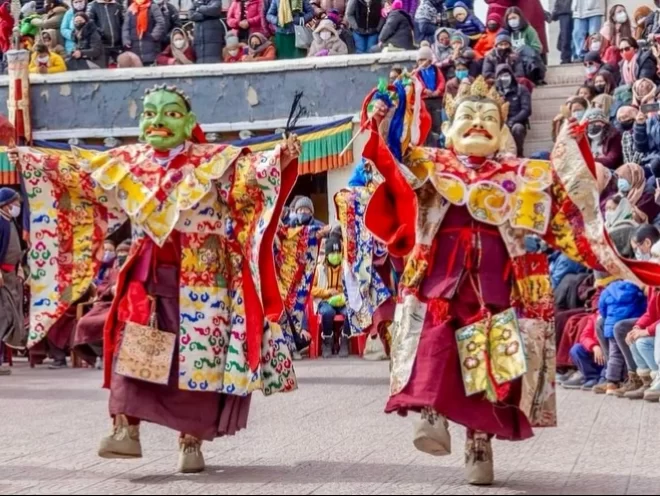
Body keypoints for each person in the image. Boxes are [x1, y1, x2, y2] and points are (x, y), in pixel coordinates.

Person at [364, 75, 660, 486]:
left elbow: (567, 192)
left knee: (488, 371)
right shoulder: (431, 164)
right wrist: (384, 118)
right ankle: (430, 411)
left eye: (488, 117)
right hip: (441, 279)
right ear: (449, 126)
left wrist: (572, 142)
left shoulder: (522, 176)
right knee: (433, 345)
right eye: (467, 116)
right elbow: (389, 161)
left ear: (503, 129)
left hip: (497, 286)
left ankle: (479, 442)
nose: (478, 123)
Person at [11, 85, 301, 472]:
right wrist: (32, 159)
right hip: (145, 275)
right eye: (149, 113)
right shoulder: (127, 162)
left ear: (190, 122)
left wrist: (279, 156)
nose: (158, 121)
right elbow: (78, 175)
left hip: (205, 277)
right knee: (136, 344)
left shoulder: (214, 161)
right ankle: (125, 429)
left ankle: (191, 441)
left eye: (170, 113)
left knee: (195, 358)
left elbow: (251, 178)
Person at [73, 240, 132, 369]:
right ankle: (100, 354)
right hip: (107, 304)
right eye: (120, 252)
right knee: (85, 322)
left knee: (114, 322)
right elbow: (100, 289)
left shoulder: (135, 270)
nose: (122, 255)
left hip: (126, 306)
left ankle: (114, 356)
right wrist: (111, 290)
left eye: (125, 252)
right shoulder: (110, 272)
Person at [599, 277, 648, 395]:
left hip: (610, 326)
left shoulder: (608, 290)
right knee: (627, 352)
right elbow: (643, 308)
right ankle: (630, 378)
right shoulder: (637, 291)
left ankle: (611, 382)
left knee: (614, 355)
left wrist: (609, 317)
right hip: (628, 326)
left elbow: (601, 308)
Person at [311, 232, 351, 358]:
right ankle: (327, 340)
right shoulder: (319, 269)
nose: (336, 256)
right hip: (325, 300)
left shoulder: (345, 268)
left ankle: (344, 339)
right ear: (327, 255)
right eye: (332, 253)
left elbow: (352, 287)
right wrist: (327, 292)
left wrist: (343, 295)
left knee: (351, 311)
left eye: (338, 252)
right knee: (328, 312)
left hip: (342, 300)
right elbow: (310, 289)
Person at [0, 188, 25, 377]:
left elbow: (16, 250)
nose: (17, 206)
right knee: (3, 317)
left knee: (10, 317)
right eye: (15, 203)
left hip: (11, 276)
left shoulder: (10, 221)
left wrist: (20, 268)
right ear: (6, 204)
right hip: (2, 276)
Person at [495, 63, 530, 157]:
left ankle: (519, 154)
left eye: (506, 75)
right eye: (501, 75)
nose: (504, 78)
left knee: (517, 128)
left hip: (515, 121)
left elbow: (526, 109)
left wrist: (512, 120)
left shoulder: (521, 89)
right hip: (498, 123)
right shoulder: (494, 92)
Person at [414, 44, 445, 143]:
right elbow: (416, 82)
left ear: (430, 60)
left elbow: (441, 81)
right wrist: (424, 90)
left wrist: (438, 91)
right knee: (427, 121)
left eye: (424, 60)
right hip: (424, 99)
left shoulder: (435, 69)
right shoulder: (417, 72)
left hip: (436, 99)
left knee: (437, 120)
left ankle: (439, 141)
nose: (422, 62)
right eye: (420, 60)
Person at [565, 315, 606, 389]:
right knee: (576, 349)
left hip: (607, 358)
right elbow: (584, 336)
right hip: (595, 354)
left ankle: (605, 378)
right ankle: (592, 377)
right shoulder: (594, 317)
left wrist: (603, 347)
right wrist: (594, 346)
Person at [122, 0, 165, 66]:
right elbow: (126, 27)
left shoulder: (153, 6)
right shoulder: (131, 8)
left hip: (150, 46)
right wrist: (126, 40)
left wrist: (153, 36)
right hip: (134, 47)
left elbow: (160, 23)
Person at [88, 0, 125, 65]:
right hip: (103, 45)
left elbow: (123, 22)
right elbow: (90, 23)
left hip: (117, 45)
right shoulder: (93, 5)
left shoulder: (118, 5)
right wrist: (100, 33)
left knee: (121, 69)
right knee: (103, 69)